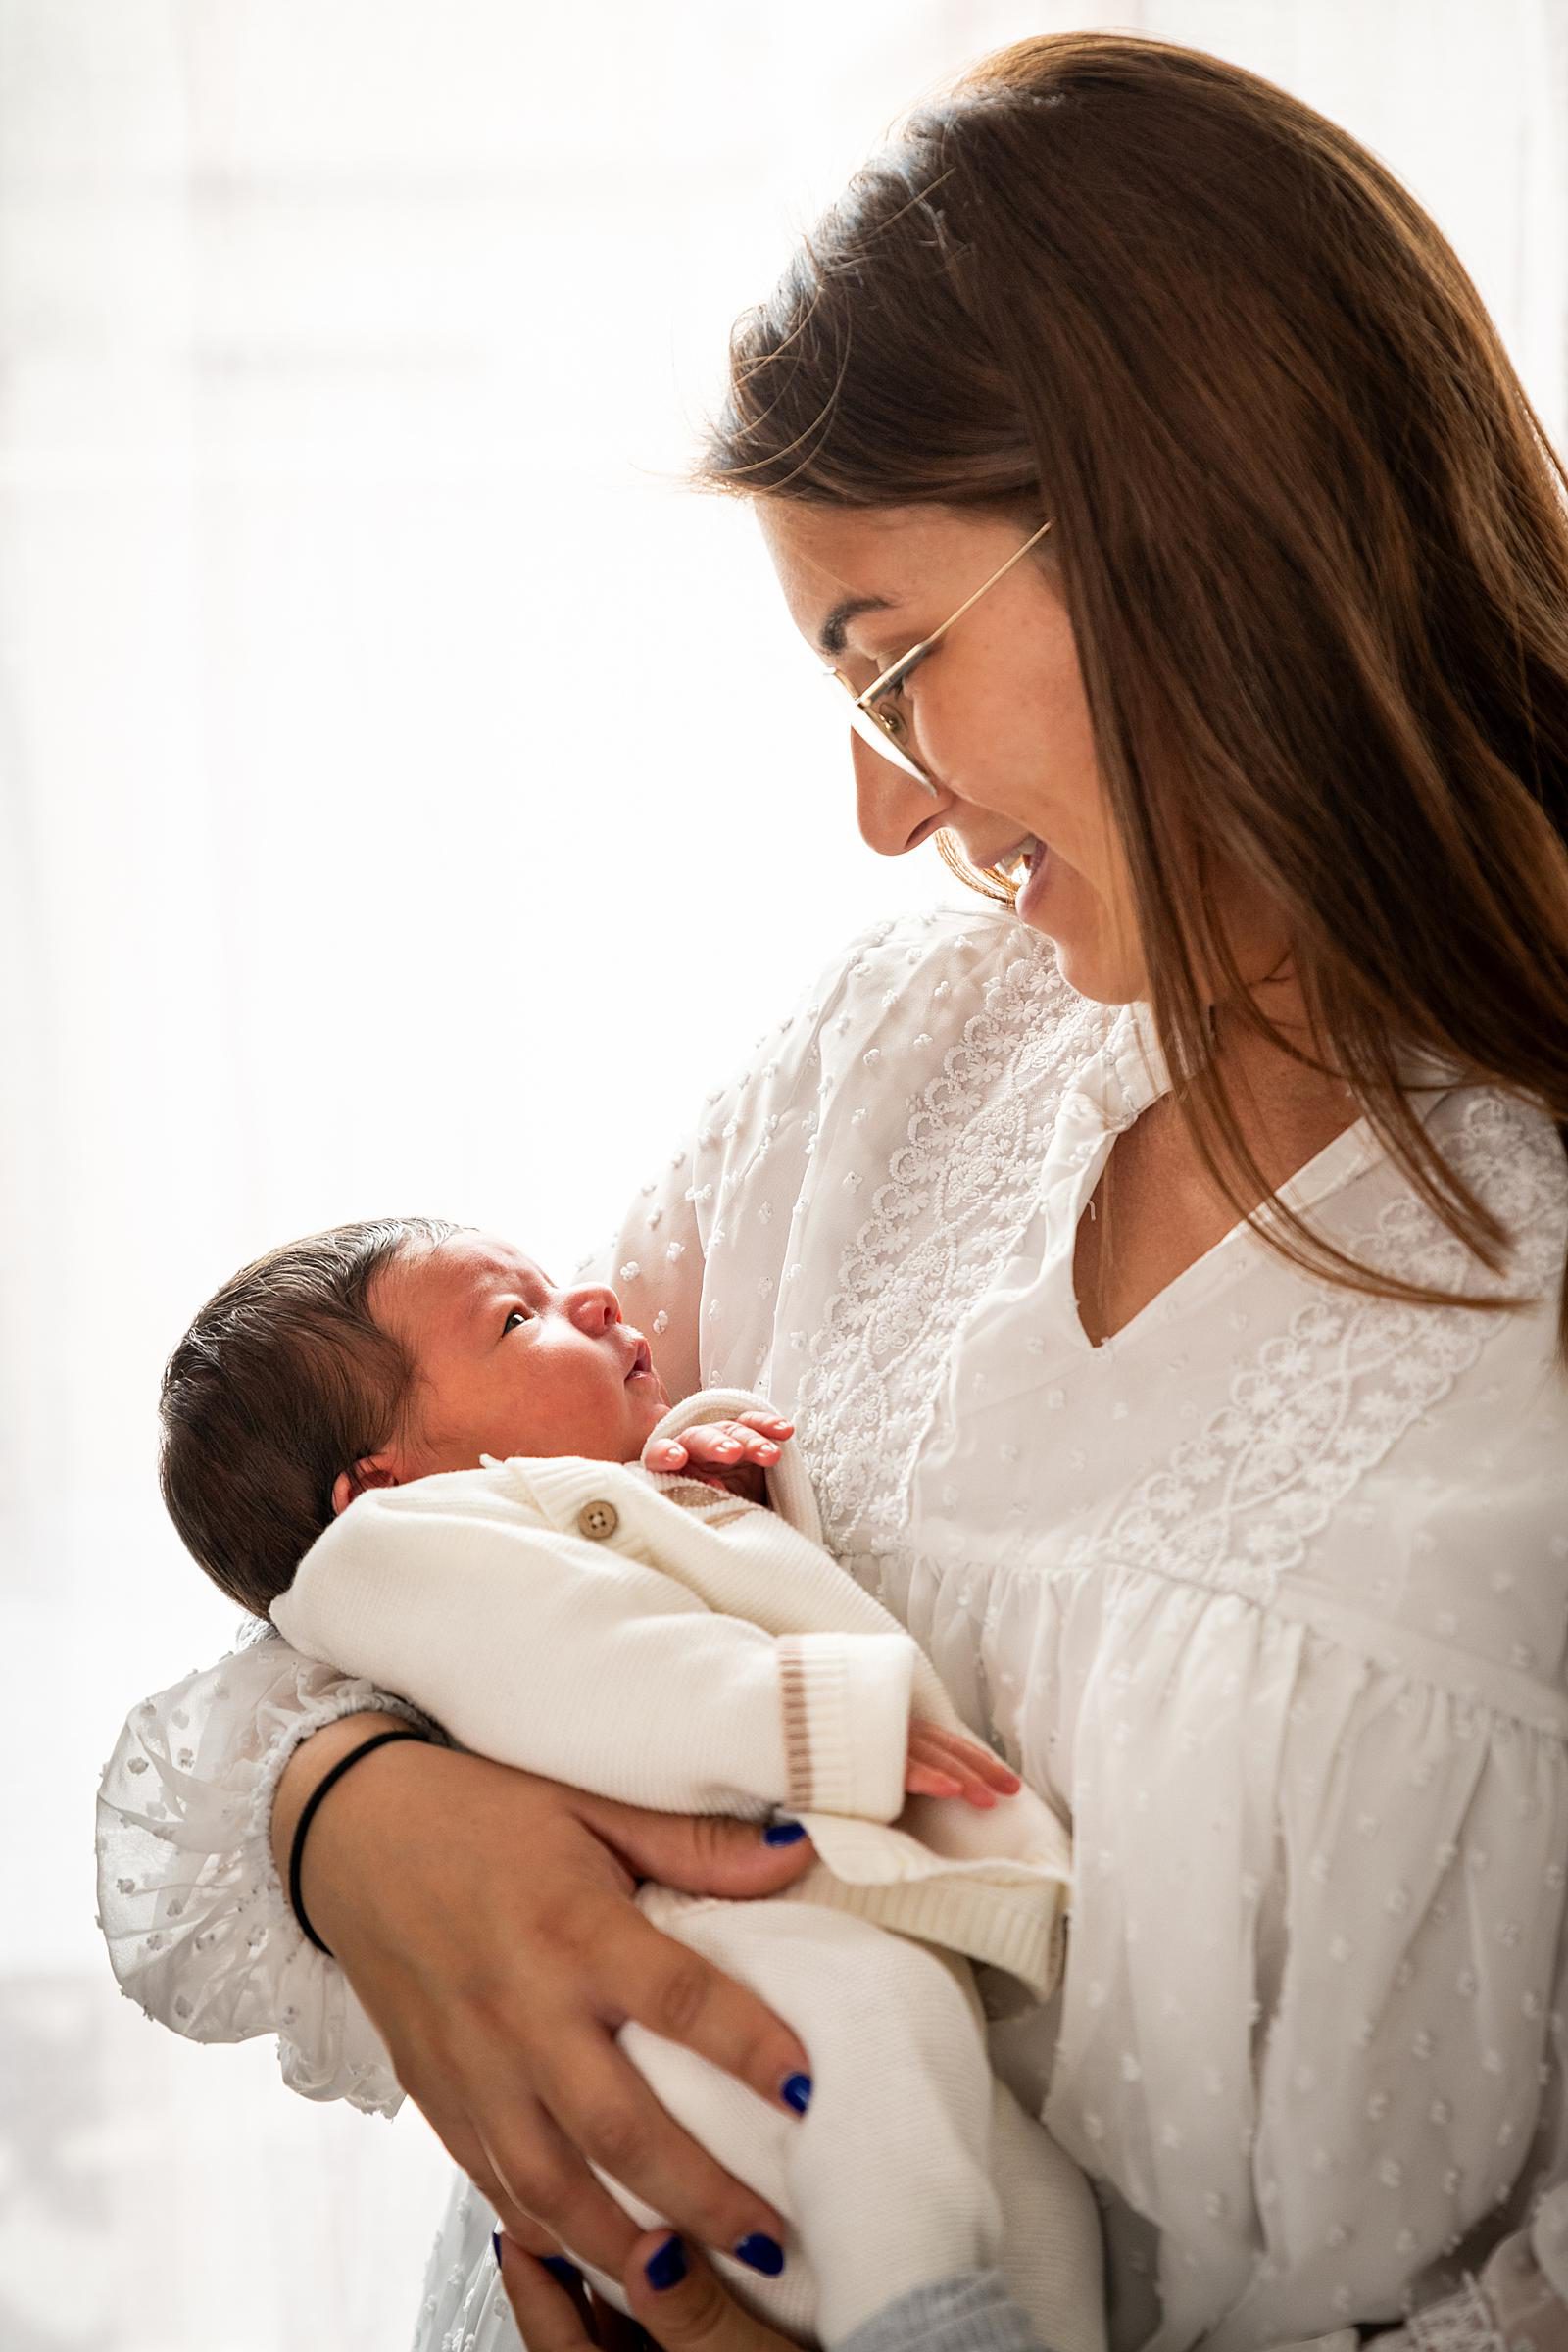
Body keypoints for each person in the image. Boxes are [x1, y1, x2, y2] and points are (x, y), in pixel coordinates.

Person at [96, 28, 1568, 2352]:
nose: (883, 816)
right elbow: (388, 1521)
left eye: (892, 666)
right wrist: (355, 1812)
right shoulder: (880, 1065)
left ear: (1195, 515)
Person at [152, 1214, 1106, 2352]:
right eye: (518, 1321)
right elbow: (602, 1673)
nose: (596, 1301)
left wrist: (698, 1492)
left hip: (734, 1983)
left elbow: (646, 1596)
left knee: (1030, 2210)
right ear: (381, 1489)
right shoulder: (405, 1558)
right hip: (697, 1975)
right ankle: (929, 2318)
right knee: (877, 2062)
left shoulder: (497, 1538)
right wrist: (809, 1722)